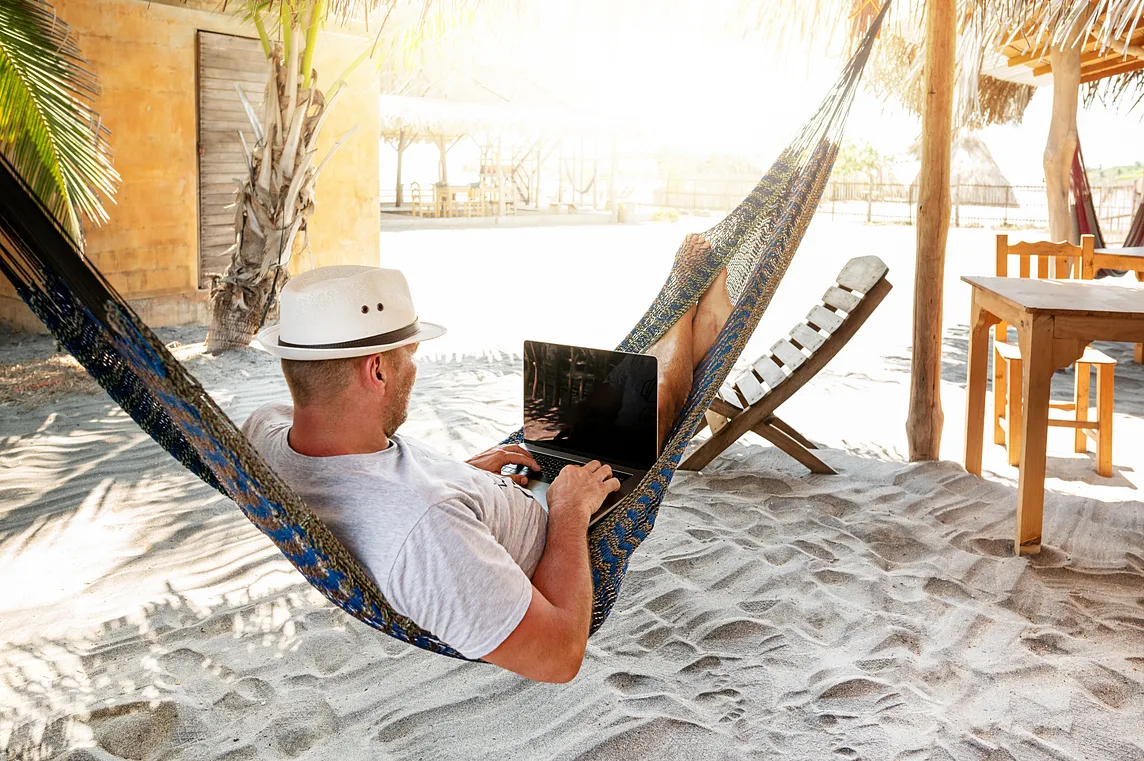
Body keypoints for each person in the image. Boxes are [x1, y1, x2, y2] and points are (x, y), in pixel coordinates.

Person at [244, 253, 732, 683]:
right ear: (376, 371)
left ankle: (688, 306)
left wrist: (463, 475)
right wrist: (568, 510)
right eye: (409, 355)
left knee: (590, 390)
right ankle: (698, 311)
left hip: (502, 487)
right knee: (656, 405)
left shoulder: (264, 430)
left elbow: (373, 486)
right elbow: (558, 657)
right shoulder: (424, 531)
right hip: (561, 522)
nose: (414, 369)